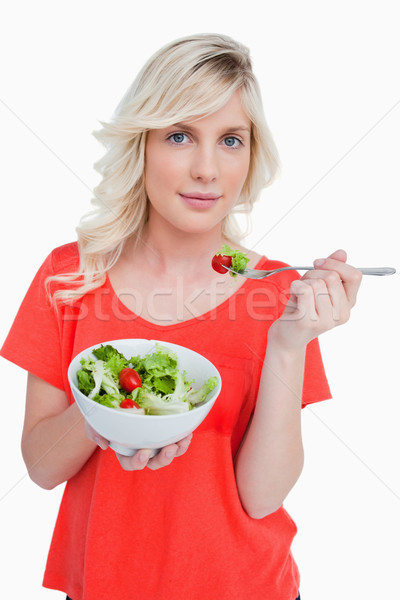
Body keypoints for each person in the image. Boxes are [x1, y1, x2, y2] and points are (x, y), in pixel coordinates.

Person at [0, 33, 362, 600]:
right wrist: (107, 415)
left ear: (251, 154)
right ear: (140, 144)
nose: (207, 169)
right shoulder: (70, 276)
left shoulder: (278, 292)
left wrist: (288, 347)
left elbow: (262, 496)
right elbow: (42, 469)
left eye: (231, 141)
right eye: (179, 136)